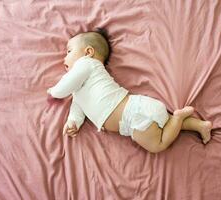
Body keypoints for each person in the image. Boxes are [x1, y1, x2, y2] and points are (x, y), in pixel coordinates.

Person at [47, 28, 212, 153]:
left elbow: (63, 88)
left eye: (69, 51)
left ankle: (178, 117)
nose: (64, 57)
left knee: (158, 145)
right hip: (137, 109)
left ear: (88, 52)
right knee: (165, 124)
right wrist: (72, 122)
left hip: (132, 117)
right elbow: (77, 107)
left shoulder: (87, 64)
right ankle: (200, 125)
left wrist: (53, 91)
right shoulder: (79, 89)